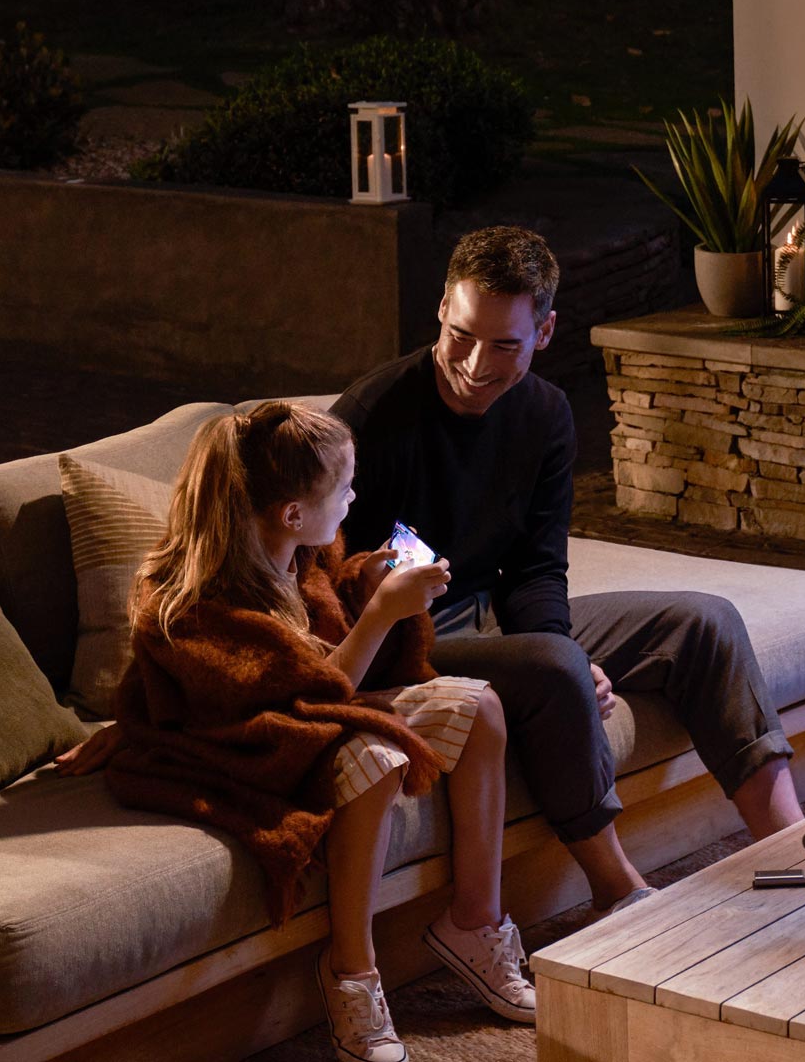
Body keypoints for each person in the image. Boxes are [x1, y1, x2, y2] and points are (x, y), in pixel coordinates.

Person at [332, 226, 801, 916]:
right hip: (398, 643)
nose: (472, 363)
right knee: (554, 667)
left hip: (492, 618)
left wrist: (570, 647)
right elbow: (333, 585)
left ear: (545, 331)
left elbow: (536, 567)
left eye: (504, 345)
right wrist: (562, 660)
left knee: (705, 623)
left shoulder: (545, 417)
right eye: (461, 334)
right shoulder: (373, 419)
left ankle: (792, 855)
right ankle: (620, 892)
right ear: (441, 307)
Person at [55, 402, 537, 1059]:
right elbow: (296, 693)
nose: (353, 498)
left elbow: (318, 646)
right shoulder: (184, 602)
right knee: (375, 759)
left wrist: (365, 586)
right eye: (345, 488)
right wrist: (383, 618)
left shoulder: (299, 555)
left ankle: (473, 923)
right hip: (244, 746)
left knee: (481, 709)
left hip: (311, 716)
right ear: (291, 513)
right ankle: (352, 973)